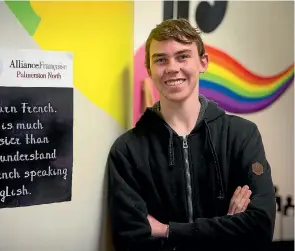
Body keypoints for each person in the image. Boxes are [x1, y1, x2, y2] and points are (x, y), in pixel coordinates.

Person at [107, 18, 276, 251]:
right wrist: (227, 225)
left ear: (203, 62)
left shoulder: (242, 135)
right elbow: (131, 239)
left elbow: (259, 228)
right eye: (160, 59)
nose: (172, 67)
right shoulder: (127, 150)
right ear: (149, 69)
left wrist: (168, 231)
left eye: (182, 56)